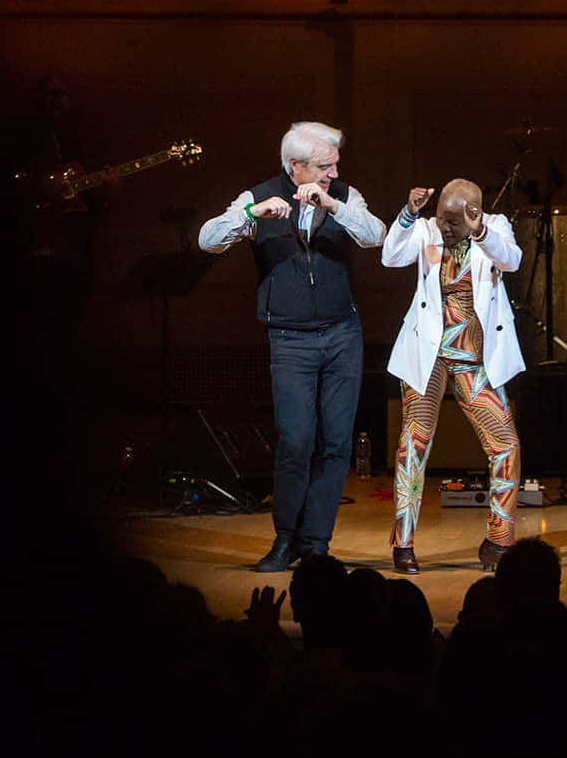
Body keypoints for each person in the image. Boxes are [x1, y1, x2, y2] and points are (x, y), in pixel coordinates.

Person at [198, 122, 385, 571]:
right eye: (323, 166)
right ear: (295, 165)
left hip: (342, 335)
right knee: (296, 441)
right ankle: (286, 538)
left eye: (335, 164)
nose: (332, 171)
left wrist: (335, 205)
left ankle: (316, 543)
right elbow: (207, 240)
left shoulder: (342, 194)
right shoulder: (258, 195)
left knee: (336, 442)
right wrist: (250, 216)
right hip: (290, 339)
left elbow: (374, 234)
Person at [382, 178, 525, 574]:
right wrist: (410, 215)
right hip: (427, 357)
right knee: (414, 445)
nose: (444, 227)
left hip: (473, 359)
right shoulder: (426, 229)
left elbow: (511, 260)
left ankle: (499, 542)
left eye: (454, 221)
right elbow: (390, 257)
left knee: (506, 446)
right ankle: (403, 544)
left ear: (474, 214)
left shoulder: (494, 228)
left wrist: (479, 232)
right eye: (441, 218)